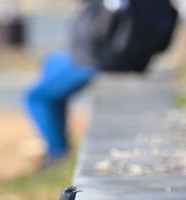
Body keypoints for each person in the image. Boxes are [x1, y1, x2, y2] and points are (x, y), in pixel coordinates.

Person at [23, 0, 178, 166]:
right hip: (99, 55)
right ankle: (58, 137)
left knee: (37, 97)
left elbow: (104, 30)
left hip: (98, 58)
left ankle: (56, 154)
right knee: (50, 63)